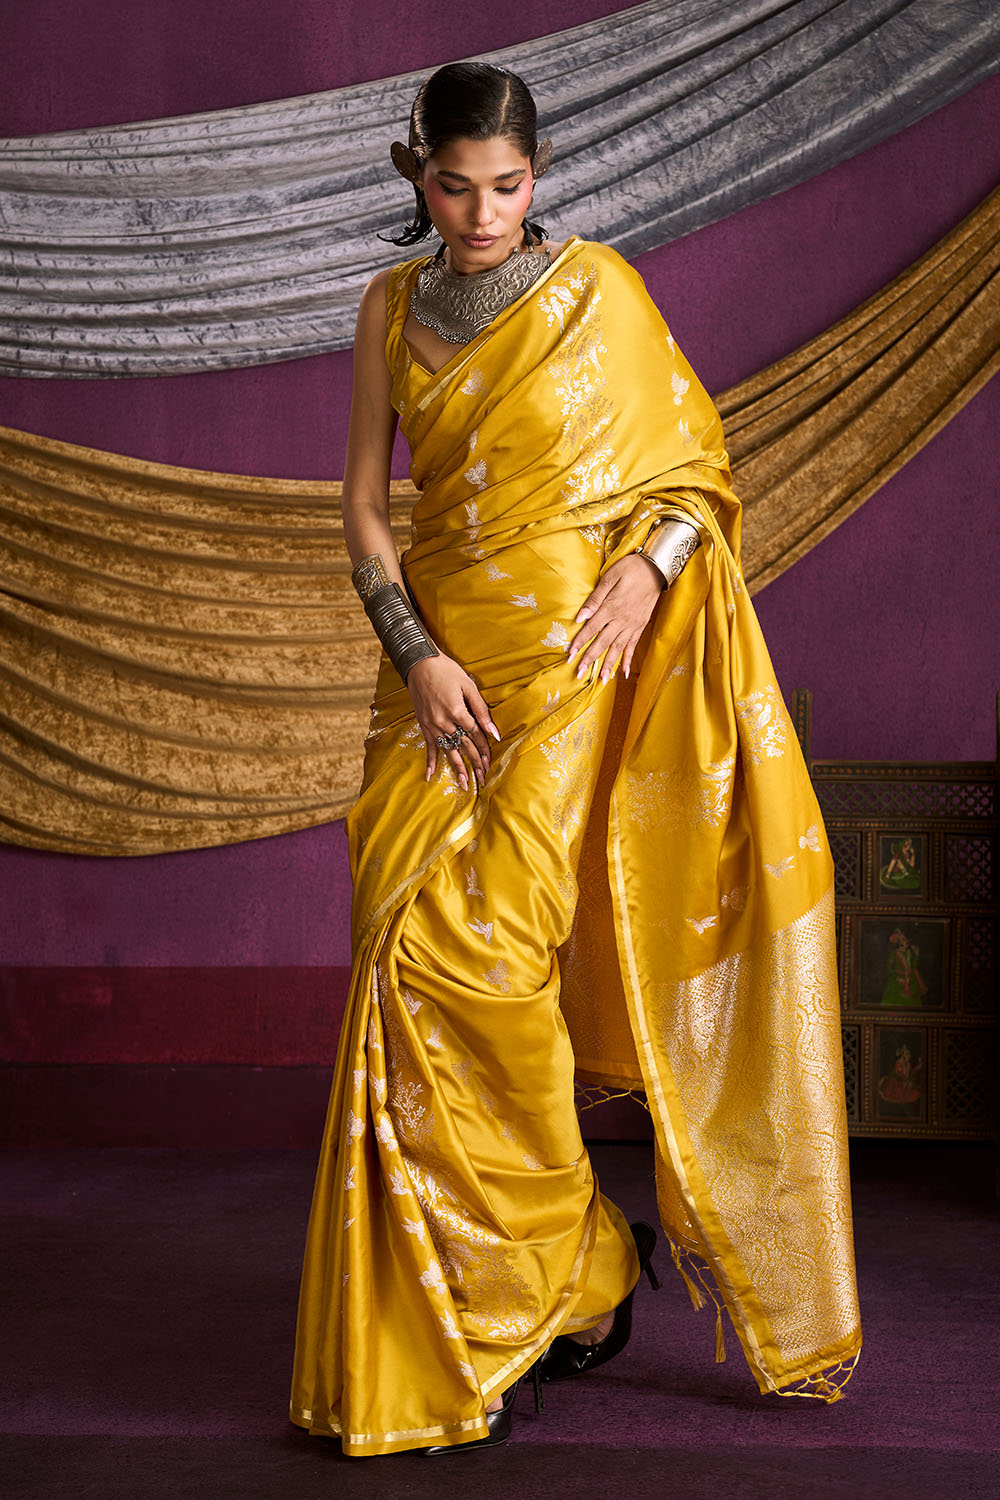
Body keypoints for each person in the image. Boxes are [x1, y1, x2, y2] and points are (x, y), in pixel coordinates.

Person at [289, 60, 861, 1458]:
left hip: (569, 659)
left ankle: (555, 1271)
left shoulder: (595, 290)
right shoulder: (388, 307)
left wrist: (648, 570)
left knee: (485, 954)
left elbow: (695, 467)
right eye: (454, 187)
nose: (483, 214)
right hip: (437, 665)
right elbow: (364, 511)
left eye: (507, 187)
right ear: (418, 178)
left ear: (536, 179)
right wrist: (416, 655)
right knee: (401, 954)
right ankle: (562, 1267)